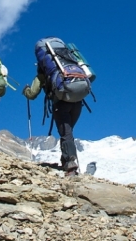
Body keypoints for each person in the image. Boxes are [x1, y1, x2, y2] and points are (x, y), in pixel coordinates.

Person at [23, 37, 92, 176]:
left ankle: (71, 165)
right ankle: (66, 161)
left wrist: (26, 91)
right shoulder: (70, 63)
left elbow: (32, 94)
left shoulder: (44, 74)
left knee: (66, 133)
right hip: (77, 100)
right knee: (68, 132)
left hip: (60, 102)